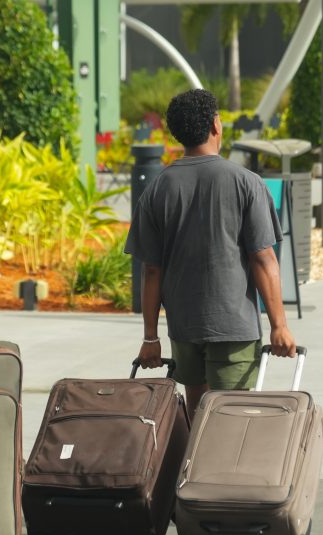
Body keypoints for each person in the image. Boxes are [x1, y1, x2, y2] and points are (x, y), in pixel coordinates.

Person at [125, 88, 296, 421]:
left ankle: (195, 470)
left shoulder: (158, 189)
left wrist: (150, 338)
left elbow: (151, 271)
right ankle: (226, 473)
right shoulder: (247, 183)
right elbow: (263, 259)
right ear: (216, 126)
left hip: (185, 327)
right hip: (233, 327)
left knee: (198, 413)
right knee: (231, 418)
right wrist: (280, 326)